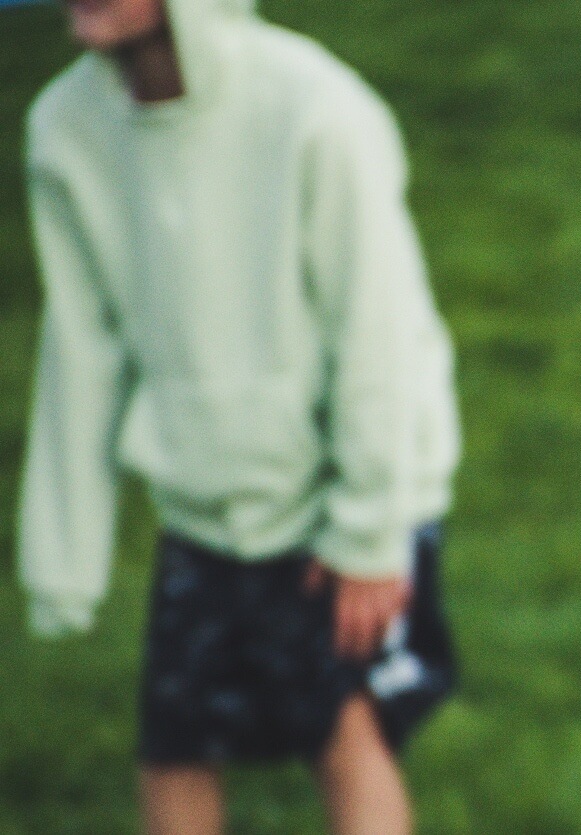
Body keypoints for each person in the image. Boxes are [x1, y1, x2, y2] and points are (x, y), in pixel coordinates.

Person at [17, 0, 460, 832]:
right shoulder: (64, 128)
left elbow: (380, 333)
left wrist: (370, 531)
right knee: (176, 742)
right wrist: (64, 553)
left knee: (344, 732)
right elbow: (80, 345)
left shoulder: (316, 110)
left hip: (350, 488)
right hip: (204, 499)